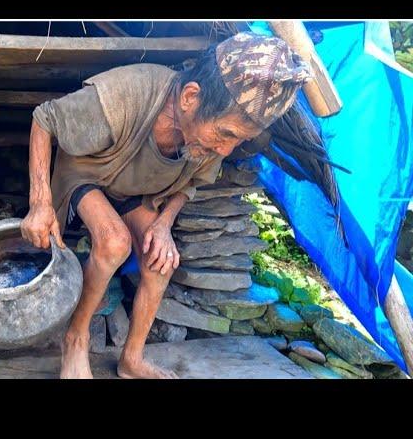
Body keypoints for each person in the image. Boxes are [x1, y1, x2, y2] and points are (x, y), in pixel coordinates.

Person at [21, 32, 312, 379]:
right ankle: (76, 339)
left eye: (239, 141)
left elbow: (189, 185)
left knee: (162, 262)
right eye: (227, 134)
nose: (226, 150)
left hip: (135, 187)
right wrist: (40, 201)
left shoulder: (212, 139)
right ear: (191, 97)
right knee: (114, 242)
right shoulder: (125, 94)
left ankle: (132, 359)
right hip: (88, 169)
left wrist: (163, 225)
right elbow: (44, 119)